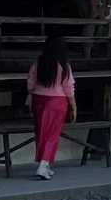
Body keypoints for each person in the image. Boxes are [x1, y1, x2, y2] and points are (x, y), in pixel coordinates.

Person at [25, 36, 76, 180]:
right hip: (57, 100)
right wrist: (73, 105)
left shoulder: (39, 62)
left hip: (38, 99)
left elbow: (30, 81)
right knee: (52, 134)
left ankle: (45, 164)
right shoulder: (63, 65)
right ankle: (43, 164)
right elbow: (68, 87)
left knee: (41, 132)